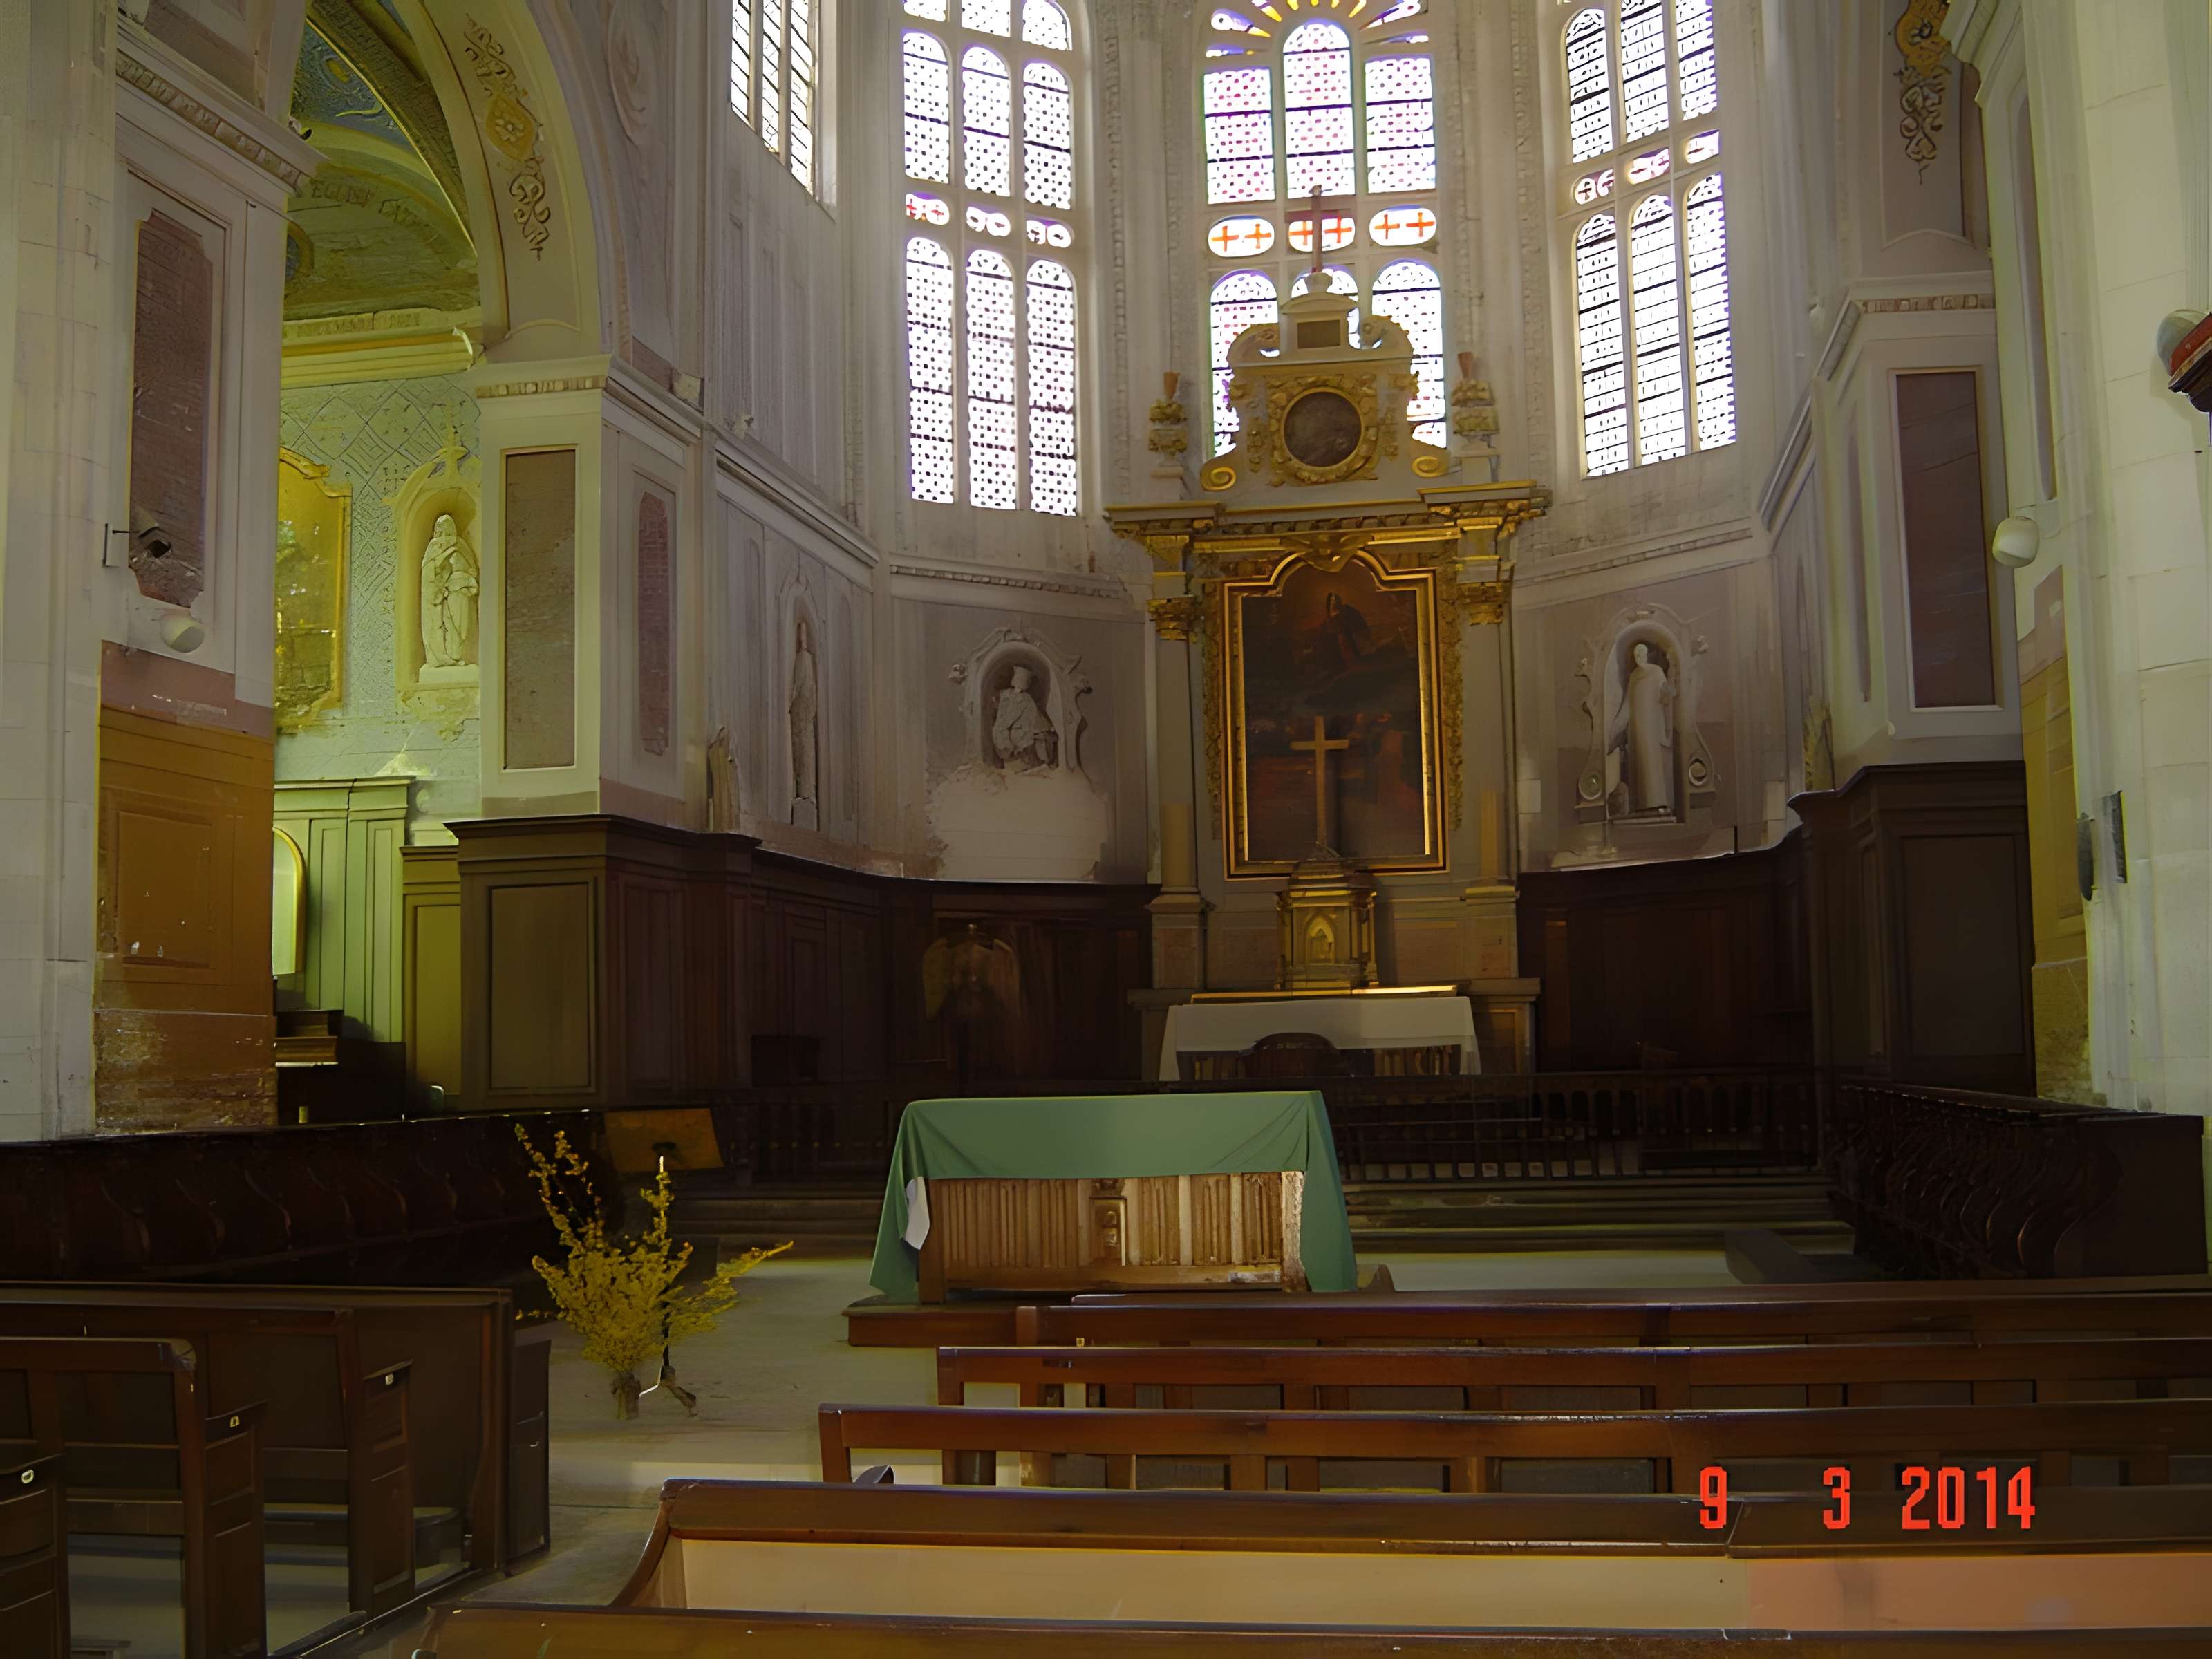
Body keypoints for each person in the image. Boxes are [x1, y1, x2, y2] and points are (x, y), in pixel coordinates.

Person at [991, 665, 1058, 769]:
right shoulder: (1005, 696)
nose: (1019, 689)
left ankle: (1040, 763)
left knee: (1042, 736)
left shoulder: (1027, 698)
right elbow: (1004, 718)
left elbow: (1035, 714)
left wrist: (1047, 727)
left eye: (1021, 686)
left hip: (1023, 729)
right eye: (1018, 685)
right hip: (1007, 731)